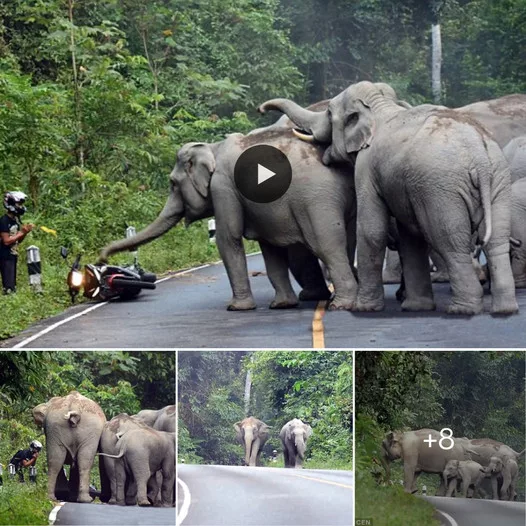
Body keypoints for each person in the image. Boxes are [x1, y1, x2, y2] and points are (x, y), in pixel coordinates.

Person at [0, 191, 34, 294]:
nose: (20, 206)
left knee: (12, 286)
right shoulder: (4, 221)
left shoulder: (15, 221)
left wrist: (24, 233)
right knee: (9, 288)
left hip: (12, 255)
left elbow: (17, 240)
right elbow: (6, 241)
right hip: (4, 256)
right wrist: (21, 232)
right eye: (19, 203)